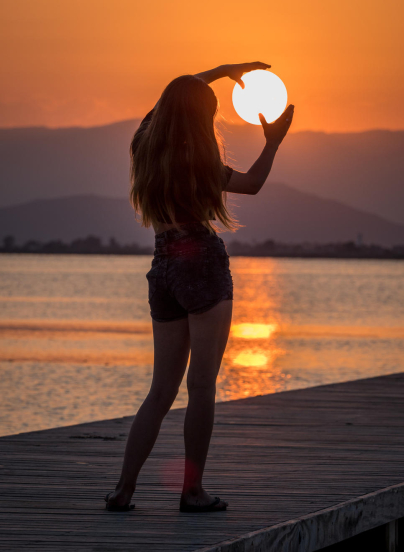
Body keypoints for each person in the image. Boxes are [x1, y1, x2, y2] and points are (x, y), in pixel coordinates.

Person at [105, 62, 294, 512]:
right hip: (202, 264)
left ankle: (123, 489)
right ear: (203, 117)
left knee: (160, 390)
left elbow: (163, 106)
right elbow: (253, 184)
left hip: (163, 266)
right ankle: (192, 492)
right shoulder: (203, 162)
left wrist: (218, 71)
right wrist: (273, 143)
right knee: (202, 387)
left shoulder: (143, 149)